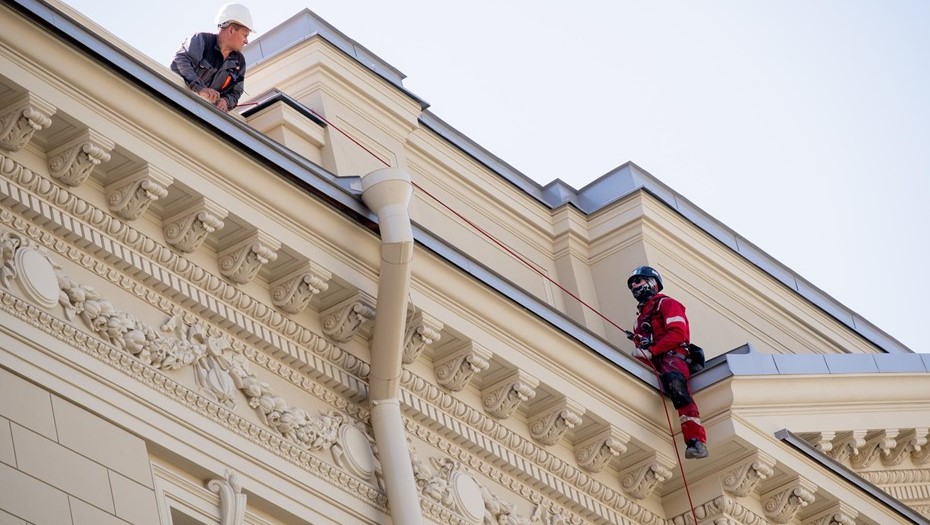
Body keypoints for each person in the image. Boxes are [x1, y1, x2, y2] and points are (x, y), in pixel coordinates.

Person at [626, 265, 708, 459]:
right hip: (653, 360)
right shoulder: (639, 320)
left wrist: (652, 351)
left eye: (638, 281)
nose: (634, 287)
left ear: (652, 282)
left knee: (676, 384)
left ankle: (696, 441)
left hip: (672, 356)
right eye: (632, 285)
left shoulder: (667, 304)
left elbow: (678, 333)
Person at [171, 3, 253, 112]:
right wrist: (200, 89)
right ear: (231, 30)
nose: (246, 41)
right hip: (174, 100)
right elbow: (182, 62)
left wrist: (225, 101)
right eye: (245, 35)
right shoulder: (201, 41)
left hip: (201, 114)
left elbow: (236, 92)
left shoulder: (239, 62)